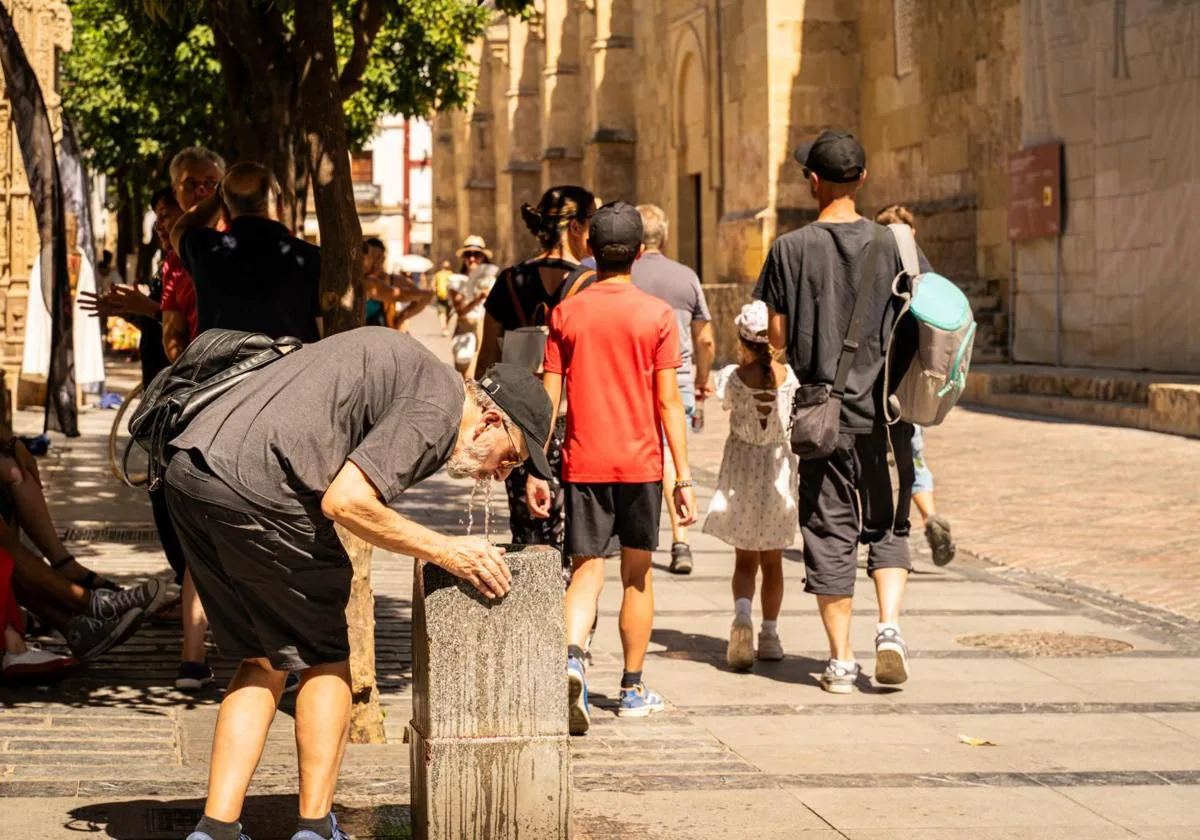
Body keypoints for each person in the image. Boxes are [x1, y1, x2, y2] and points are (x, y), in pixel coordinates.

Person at [163, 328, 553, 840]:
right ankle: (314, 829)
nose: (502, 474)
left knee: (263, 659)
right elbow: (345, 502)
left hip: (191, 472)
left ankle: (215, 830)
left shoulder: (421, 375)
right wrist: (447, 551)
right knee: (325, 655)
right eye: (513, 457)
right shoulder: (436, 409)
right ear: (489, 420)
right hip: (262, 487)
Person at [755, 130, 923, 695]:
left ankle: (840, 661)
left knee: (829, 532)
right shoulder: (898, 245)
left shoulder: (789, 248)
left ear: (813, 180)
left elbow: (776, 334)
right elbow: (925, 321)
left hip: (821, 415)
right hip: (888, 415)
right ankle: (891, 630)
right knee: (889, 523)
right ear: (864, 179)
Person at [527, 201, 696, 734]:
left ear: (589, 251)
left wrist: (536, 467)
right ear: (640, 254)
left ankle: (573, 658)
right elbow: (669, 402)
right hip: (642, 462)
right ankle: (631, 688)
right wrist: (682, 478)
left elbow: (549, 399)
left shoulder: (566, 313)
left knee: (585, 571)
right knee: (638, 575)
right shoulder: (657, 315)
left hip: (584, 461)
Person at [476, 189, 595, 556]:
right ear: (576, 227)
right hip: (571, 419)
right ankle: (569, 607)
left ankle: (533, 605)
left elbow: (487, 355)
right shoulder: (589, 286)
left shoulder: (509, 280)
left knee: (526, 527)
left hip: (518, 421)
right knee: (575, 532)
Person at [702, 302, 799, 670]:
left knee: (745, 561)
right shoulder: (790, 378)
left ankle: (742, 617)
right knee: (773, 562)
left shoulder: (730, 377)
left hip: (741, 476)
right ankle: (770, 633)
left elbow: (726, 404)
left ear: (742, 339)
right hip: (777, 477)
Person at [631, 203, 715, 575]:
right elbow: (706, 339)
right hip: (676, 378)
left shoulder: (623, 276)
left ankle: (633, 538)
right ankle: (681, 540)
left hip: (631, 378)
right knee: (668, 455)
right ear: (664, 236)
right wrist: (702, 378)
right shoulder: (686, 277)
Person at [873, 204, 956, 567]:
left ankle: (878, 531)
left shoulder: (871, 269)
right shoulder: (925, 275)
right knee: (914, 458)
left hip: (872, 383)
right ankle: (928, 517)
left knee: (872, 460)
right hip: (910, 385)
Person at [172, 162, 321, 344]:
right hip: (292, 367)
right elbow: (324, 330)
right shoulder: (310, 258)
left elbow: (180, 228)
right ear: (280, 203)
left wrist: (218, 197)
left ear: (224, 211)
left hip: (227, 370)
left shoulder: (205, 250)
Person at [161, 146, 225, 361]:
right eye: (191, 183)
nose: (201, 191)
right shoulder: (173, 261)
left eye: (210, 183)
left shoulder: (244, 239)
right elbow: (173, 332)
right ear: (175, 191)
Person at [361, 238, 432, 332]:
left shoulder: (390, 279)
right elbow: (424, 296)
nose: (376, 262)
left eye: (379, 257)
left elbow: (425, 296)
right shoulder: (367, 281)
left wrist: (400, 319)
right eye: (372, 256)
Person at [451, 265, 498, 379]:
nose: (472, 259)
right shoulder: (458, 280)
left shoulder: (492, 281)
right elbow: (460, 311)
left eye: (477, 255)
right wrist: (478, 299)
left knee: (474, 378)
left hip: (484, 331)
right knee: (464, 375)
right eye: (468, 254)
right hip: (465, 331)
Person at [433, 260, 454, 335]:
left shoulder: (438, 274)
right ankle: (445, 328)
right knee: (448, 313)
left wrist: (435, 292)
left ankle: (444, 328)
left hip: (440, 296)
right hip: (449, 297)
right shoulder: (451, 274)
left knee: (442, 313)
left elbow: (433, 286)